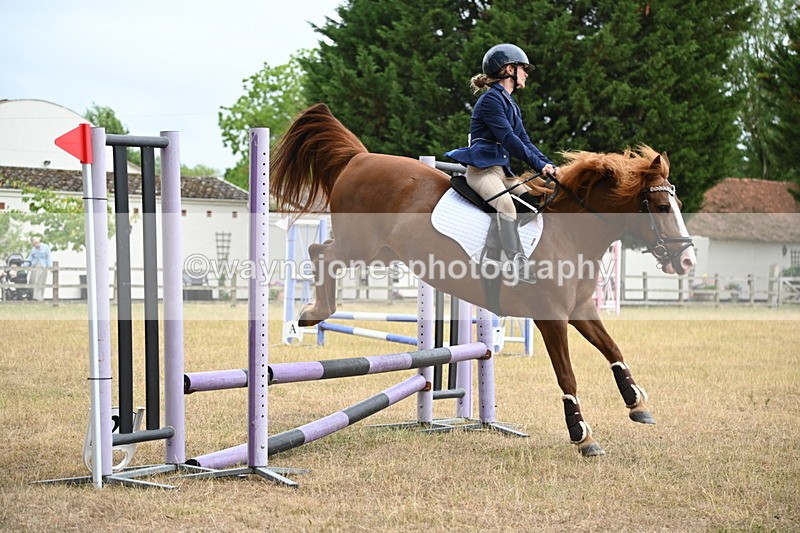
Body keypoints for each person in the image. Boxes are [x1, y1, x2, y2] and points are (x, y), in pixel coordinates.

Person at [445, 43, 557, 283]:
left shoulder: (511, 105)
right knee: (506, 205)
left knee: (535, 202)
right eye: (523, 68)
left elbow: (525, 141)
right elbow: (509, 139)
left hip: (503, 173)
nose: (526, 74)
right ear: (509, 70)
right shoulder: (490, 101)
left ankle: (495, 248)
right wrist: (539, 166)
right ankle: (516, 263)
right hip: (482, 172)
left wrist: (549, 166)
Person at [27, 236, 52, 301]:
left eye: (37, 243)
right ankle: (31, 296)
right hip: (35, 266)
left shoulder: (45, 247)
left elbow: (49, 257)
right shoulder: (33, 249)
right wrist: (25, 265)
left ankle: (38, 297)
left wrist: (50, 266)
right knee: (33, 281)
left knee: (40, 282)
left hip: (42, 266)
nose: (36, 244)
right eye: (34, 243)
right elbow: (30, 257)